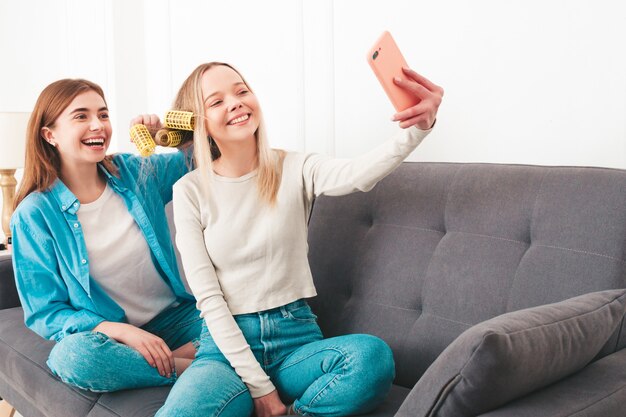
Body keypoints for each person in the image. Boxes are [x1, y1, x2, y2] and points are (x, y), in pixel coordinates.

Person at [158, 62, 443, 417]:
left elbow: (357, 175)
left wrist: (417, 130)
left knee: (371, 358)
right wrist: (260, 389)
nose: (236, 102)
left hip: (294, 338)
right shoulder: (190, 190)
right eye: (216, 101)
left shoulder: (294, 166)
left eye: (242, 90)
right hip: (225, 349)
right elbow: (209, 299)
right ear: (197, 122)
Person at [11, 78, 202, 392]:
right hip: (111, 337)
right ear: (50, 135)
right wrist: (119, 331)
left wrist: (169, 134)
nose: (97, 125)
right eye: (81, 116)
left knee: (248, 322)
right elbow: (46, 312)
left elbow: (205, 154)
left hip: (176, 319)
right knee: (72, 357)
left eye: (103, 114)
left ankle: (169, 362)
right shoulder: (34, 215)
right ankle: (191, 366)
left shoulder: (136, 172)